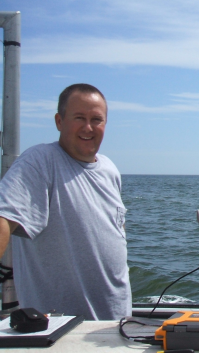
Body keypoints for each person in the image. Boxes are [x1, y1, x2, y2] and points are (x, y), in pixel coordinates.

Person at [0, 83, 131, 320]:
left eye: (97, 119)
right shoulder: (40, 161)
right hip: (58, 333)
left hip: (115, 325)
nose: (88, 127)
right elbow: (3, 220)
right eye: (79, 117)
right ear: (59, 121)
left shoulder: (110, 169)